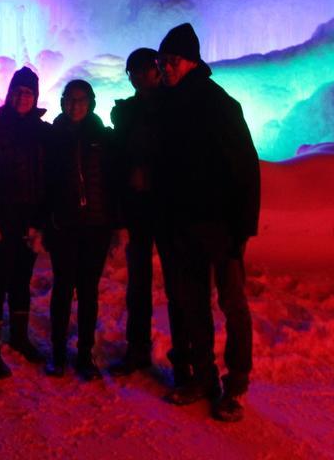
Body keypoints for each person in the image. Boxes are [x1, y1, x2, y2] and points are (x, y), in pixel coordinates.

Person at [155, 23, 260, 422]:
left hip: (221, 226)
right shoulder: (170, 104)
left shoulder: (219, 105)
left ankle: (236, 386)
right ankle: (203, 376)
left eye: (171, 60)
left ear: (191, 61)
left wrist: (242, 228)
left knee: (232, 303)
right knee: (193, 304)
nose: (165, 67)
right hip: (184, 225)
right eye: (163, 61)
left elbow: (245, 169)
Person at [38, 79, 120, 381]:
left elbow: (113, 182)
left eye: (81, 100)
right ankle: (58, 354)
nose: (75, 105)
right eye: (70, 100)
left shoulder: (102, 137)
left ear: (91, 103)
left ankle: (85, 355)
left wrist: (115, 222)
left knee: (88, 292)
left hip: (96, 227)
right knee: (62, 290)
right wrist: (46, 222)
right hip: (64, 226)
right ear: (62, 102)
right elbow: (44, 184)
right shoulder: (52, 136)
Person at [0, 66, 49, 378]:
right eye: (18, 91)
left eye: (28, 92)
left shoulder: (42, 133)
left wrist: (40, 222)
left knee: (21, 278)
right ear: (10, 92)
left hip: (29, 218)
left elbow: (47, 181)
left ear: (35, 97)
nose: (22, 97)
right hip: (1, 217)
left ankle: (18, 337)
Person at [108, 47, 167, 376]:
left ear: (156, 71)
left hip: (169, 206)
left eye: (146, 69)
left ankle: (185, 359)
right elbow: (118, 161)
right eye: (134, 71)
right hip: (138, 207)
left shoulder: (174, 107)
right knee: (138, 284)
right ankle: (138, 349)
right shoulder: (127, 112)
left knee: (177, 286)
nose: (140, 76)